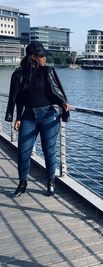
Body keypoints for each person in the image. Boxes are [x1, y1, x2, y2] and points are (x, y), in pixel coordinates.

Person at [5, 41, 70, 197]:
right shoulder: (19, 74)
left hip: (49, 115)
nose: (45, 58)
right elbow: (17, 98)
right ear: (33, 57)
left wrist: (63, 103)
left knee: (49, 151)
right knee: (23, 151)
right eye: (42, 55)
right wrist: (18, 117)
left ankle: (50, 182)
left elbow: (55, 91)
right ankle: (22, 182)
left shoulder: (48, 71)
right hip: (28, 117)